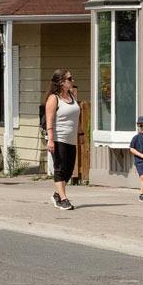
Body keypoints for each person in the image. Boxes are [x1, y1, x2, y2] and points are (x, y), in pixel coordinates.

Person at [48, 71, 82, 210]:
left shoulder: (72, 96)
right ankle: (63, 199)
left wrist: (81, 134)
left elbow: (77, 117)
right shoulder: (53, 98)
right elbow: (49, 120)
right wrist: (50, 140)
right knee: (60, 168)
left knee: (68, 170)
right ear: (61, 82)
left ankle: (57, 194)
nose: (72, 80)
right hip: (58, 138)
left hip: (71, 139)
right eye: (69, 78)